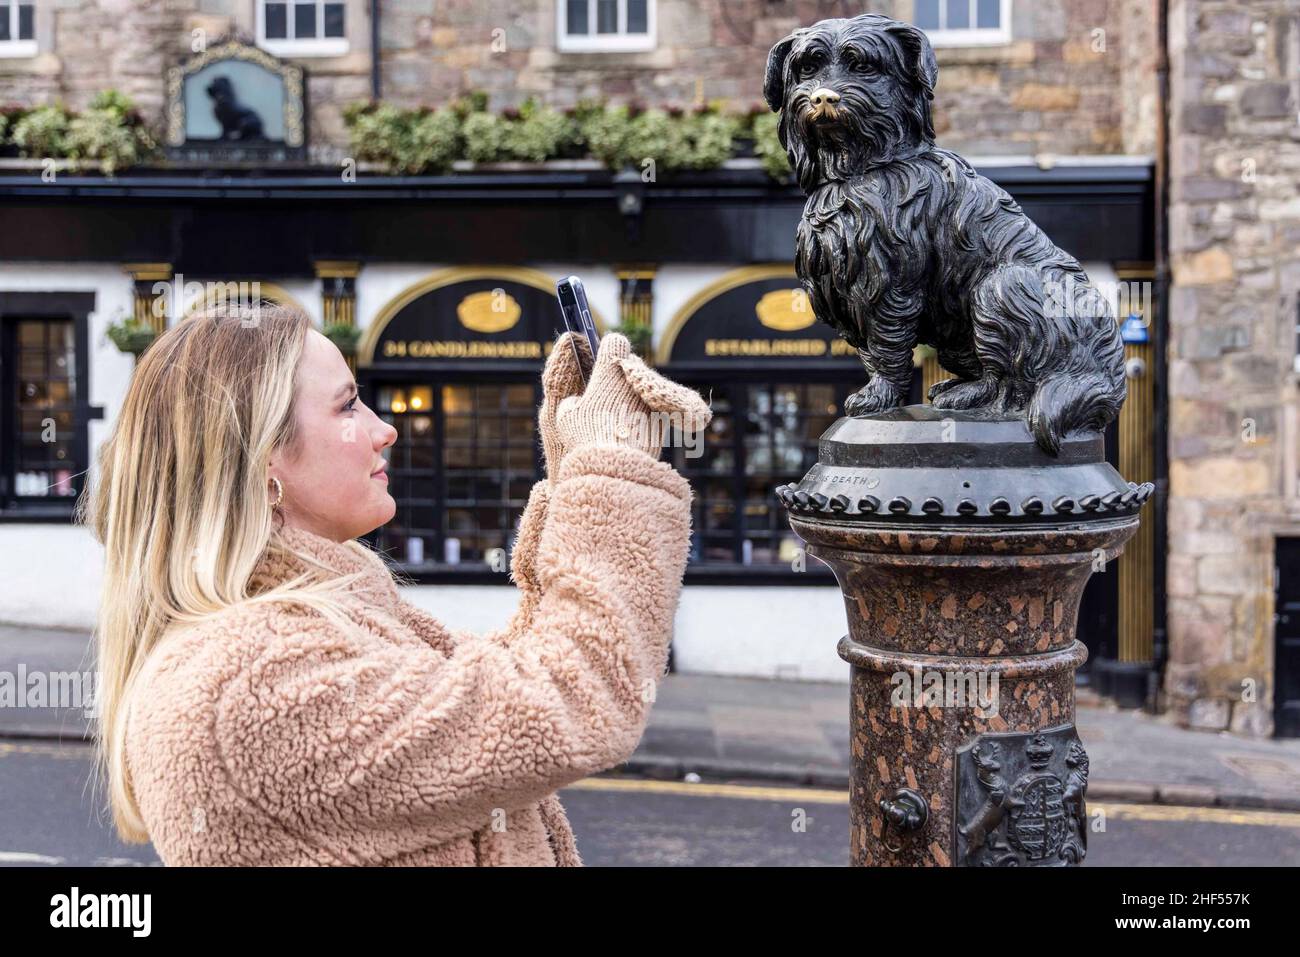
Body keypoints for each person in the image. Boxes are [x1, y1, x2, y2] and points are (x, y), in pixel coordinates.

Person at [80, 301, 712, 866]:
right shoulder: (250, 682)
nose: (385, 428)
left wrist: (577, 468)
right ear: (262, 456)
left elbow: (507, 683)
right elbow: (574, 697)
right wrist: (611, 472)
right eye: (348, 404)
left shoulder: (311, 624)